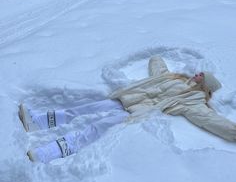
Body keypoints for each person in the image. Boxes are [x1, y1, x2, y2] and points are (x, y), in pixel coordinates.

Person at [19, 55, 236, 164]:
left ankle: (46, 153)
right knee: (88, 107)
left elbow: (208, 120)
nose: (197, 74)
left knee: (97, 127)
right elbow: (158, 68)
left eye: (202, 75)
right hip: (127, 99)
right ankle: (37, 122)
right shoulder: (175, 77)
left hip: (137, 112)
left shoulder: (195, 100)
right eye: (199, 73)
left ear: (205, 85)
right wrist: (156, 58)